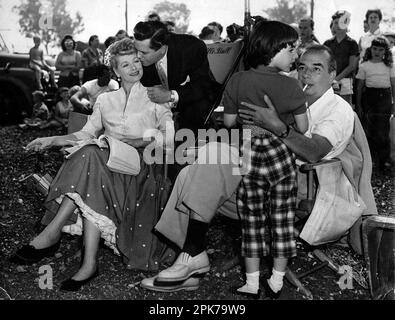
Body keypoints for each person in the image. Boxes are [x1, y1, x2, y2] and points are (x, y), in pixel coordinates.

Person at [141, 45, 355, 298]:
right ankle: (191, 255)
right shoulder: (291, 98)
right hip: (259, 169)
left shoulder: (337, 109)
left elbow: (313, 152)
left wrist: (277, 127)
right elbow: (254, 135)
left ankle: (191, 257)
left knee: (206, 165)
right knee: (205, 159)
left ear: (333, 74)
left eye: (316, 69)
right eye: (301, 67)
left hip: (299, 184)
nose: (306, 75)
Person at [10, 38, 175, 291]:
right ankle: (88, 264)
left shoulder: (156, 97)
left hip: (140, 171)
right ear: (116, 71)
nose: (133, 68)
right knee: (91, 160)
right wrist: (51, 139)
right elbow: (86, 133)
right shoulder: (106, 100)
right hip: (106, 167)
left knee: (90, 158)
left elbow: (170, 139)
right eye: (125, 64)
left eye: (136, 62)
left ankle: (53, 233)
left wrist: (141, 140)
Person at [222, 20, 308, 298]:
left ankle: (250, 282)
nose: (296, 56)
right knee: (282, 218)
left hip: (249, 150)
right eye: (291, 49)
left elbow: (229, 121)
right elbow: (303, 128)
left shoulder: (237, 80)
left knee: (251, 219)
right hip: (279, 152)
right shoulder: (291, 86)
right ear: (272, 49)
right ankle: (278, 280)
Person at [133, 20, 220, 134]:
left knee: (194, 111)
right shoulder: (140, 51)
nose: (138, 56)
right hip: (160, 104)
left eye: (144, 53)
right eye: (137, 50)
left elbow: (204, 86)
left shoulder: (191, 48)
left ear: (163, 48)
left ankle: (188, 146)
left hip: (197, 98)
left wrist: (171, 95)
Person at [355, 36, 395, 171]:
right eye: (375, 49)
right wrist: (359, 105)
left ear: (385, 51)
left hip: (384, 98)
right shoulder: (364, 65)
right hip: (369, 98)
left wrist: (394, 103)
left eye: (381, 49)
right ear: (370, 49)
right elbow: (359, 87)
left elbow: (393, 85)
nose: (377, 52)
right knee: (369, 129)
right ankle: (370, 162)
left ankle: (384, 162)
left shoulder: (389, 66)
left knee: (383, 130)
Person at [323, 11, 359, 105]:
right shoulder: (327, 43)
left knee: (345, 107)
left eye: (341, 22)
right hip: (329, 80)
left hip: (345, 81)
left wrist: (336, 79)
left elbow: (352, 66)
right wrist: (330, 79)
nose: (338, 25)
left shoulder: (352, 43)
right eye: (335, 22)